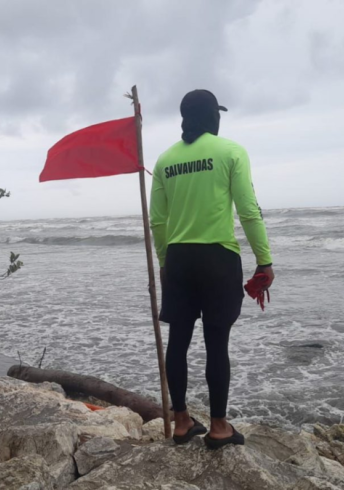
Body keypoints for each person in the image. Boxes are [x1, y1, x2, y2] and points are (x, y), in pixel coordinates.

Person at [149, 89, 274, 448]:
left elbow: (158, 221)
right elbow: (249, 210)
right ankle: (219, 427)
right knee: (217, 344)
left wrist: (164, 263)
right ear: (212, 117)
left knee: (179, 341)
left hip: (179, 260)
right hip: (219, 258)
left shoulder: (165, 160)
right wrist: (264, 259)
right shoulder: (231, 152)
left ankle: (182, 421)